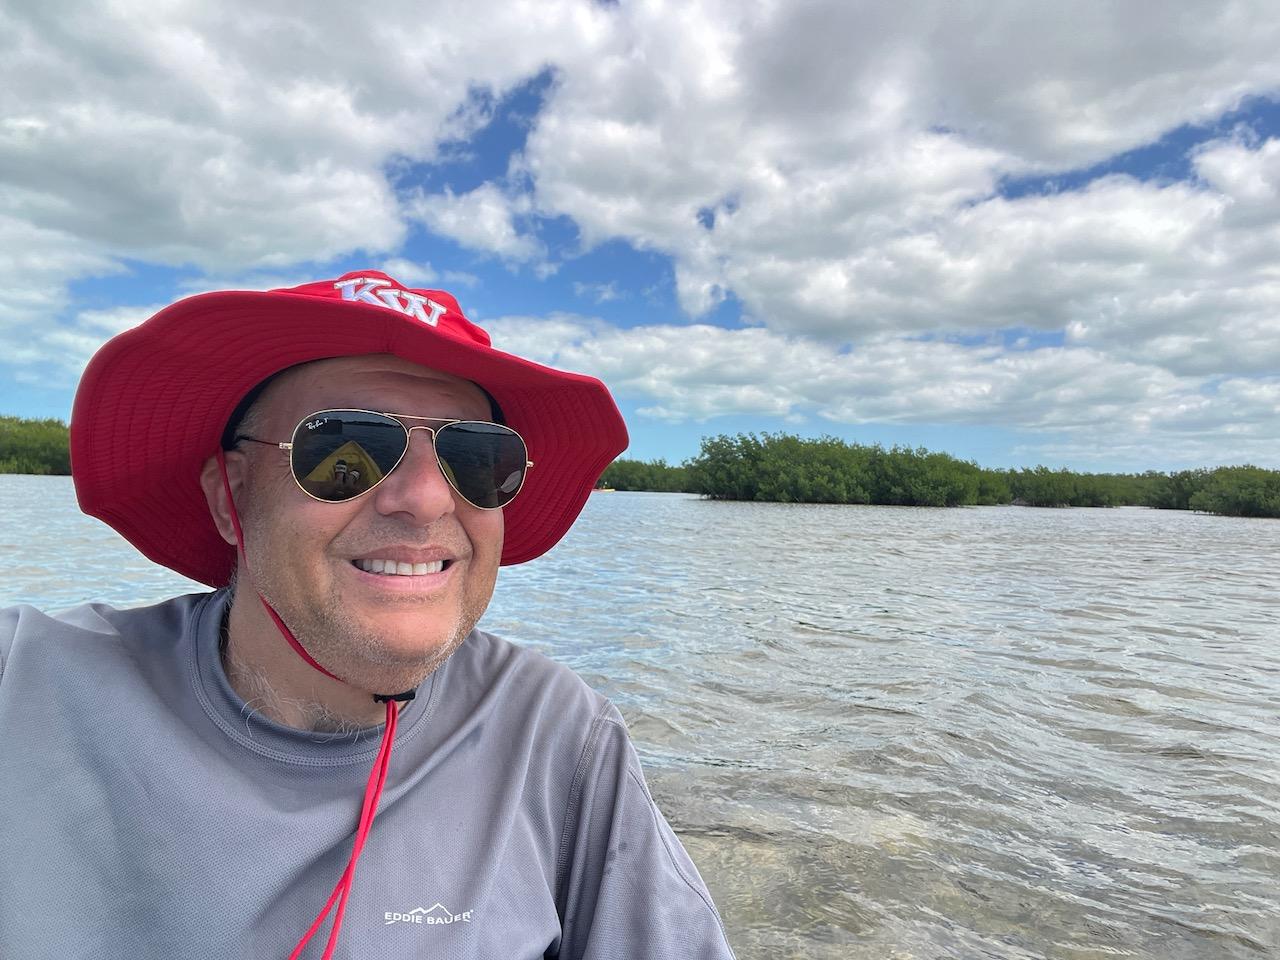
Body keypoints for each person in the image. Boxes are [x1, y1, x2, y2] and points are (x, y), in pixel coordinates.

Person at [0, 271, 737, 959]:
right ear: (231, 496)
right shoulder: (24, 682)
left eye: (477, 459)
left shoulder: (555, 735)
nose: (424, 498)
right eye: (343, 452)